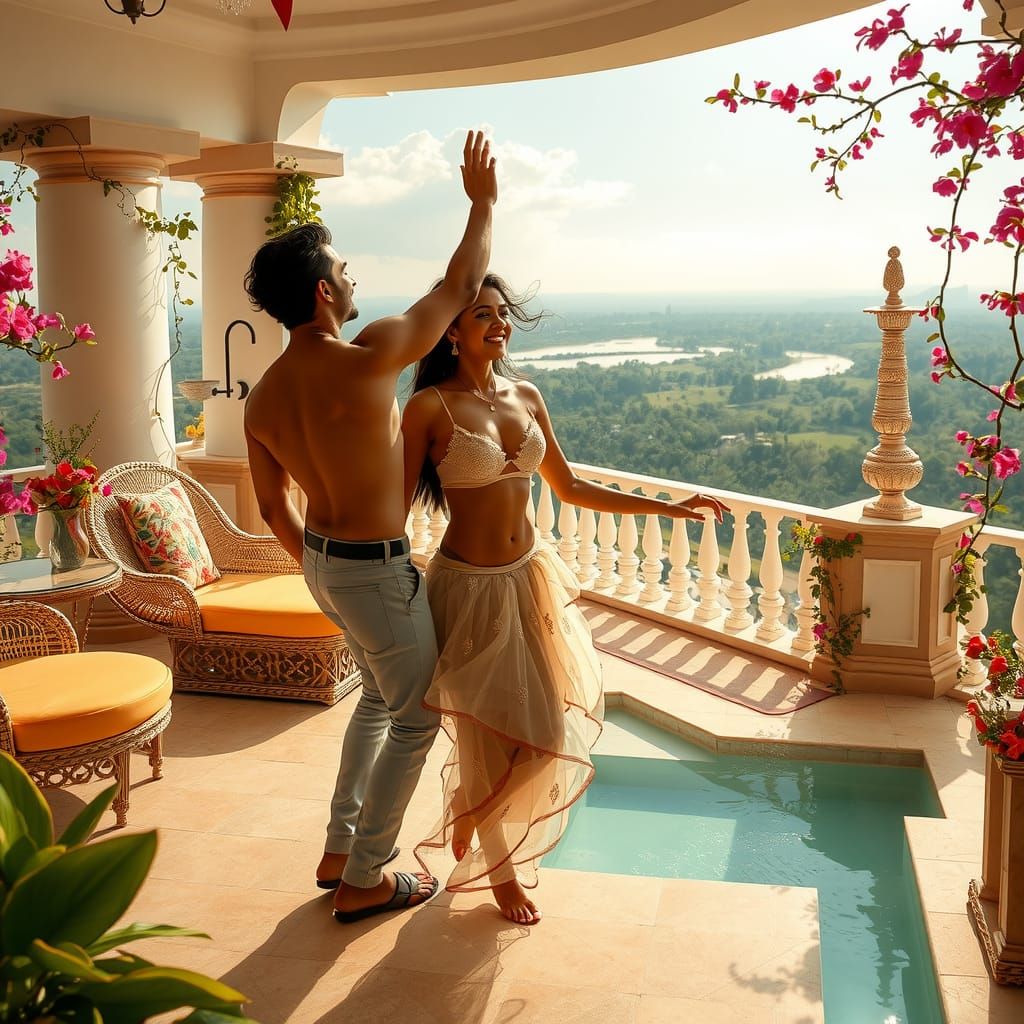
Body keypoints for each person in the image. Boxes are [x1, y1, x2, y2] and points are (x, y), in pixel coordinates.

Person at [401, 274, 729, 925]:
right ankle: (500, 879)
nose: (499, 324)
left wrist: (669, 507)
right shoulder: (429, 408)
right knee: (486, 738)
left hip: (529, 580)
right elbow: (391, 505)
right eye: (482, 315)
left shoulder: (526, 394)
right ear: (451, 330)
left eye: (502, 313)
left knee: (544, 732)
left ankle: (471, 798)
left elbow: (572, 487)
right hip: (467, 590)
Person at [242, 131, 498, 924]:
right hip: (370, 567)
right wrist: (483, 202)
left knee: (380, 703)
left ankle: (338, 845)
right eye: (343, 272)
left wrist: (322, 569)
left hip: (325, 562)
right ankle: (367, 875)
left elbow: (272, 508)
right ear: (323, 294)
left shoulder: (264, 397)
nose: (352, 279)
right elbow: (460, 283)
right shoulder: (368, 358)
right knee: (416, 714)